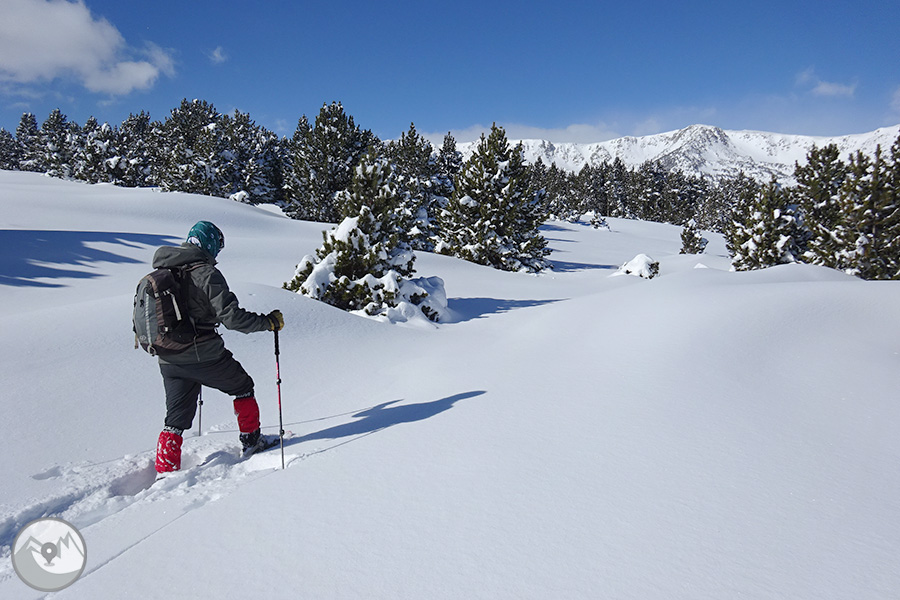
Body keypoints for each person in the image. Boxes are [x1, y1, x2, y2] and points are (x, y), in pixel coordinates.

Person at [152, 220, 284, 474]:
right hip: (204, 354)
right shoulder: (205, 273)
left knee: (175, 419)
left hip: (168, 357)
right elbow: (232, 319)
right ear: (209, 244)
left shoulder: (164, 271)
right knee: (243, 386)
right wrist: (267, 323)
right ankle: (251, 441)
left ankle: (165, 470)